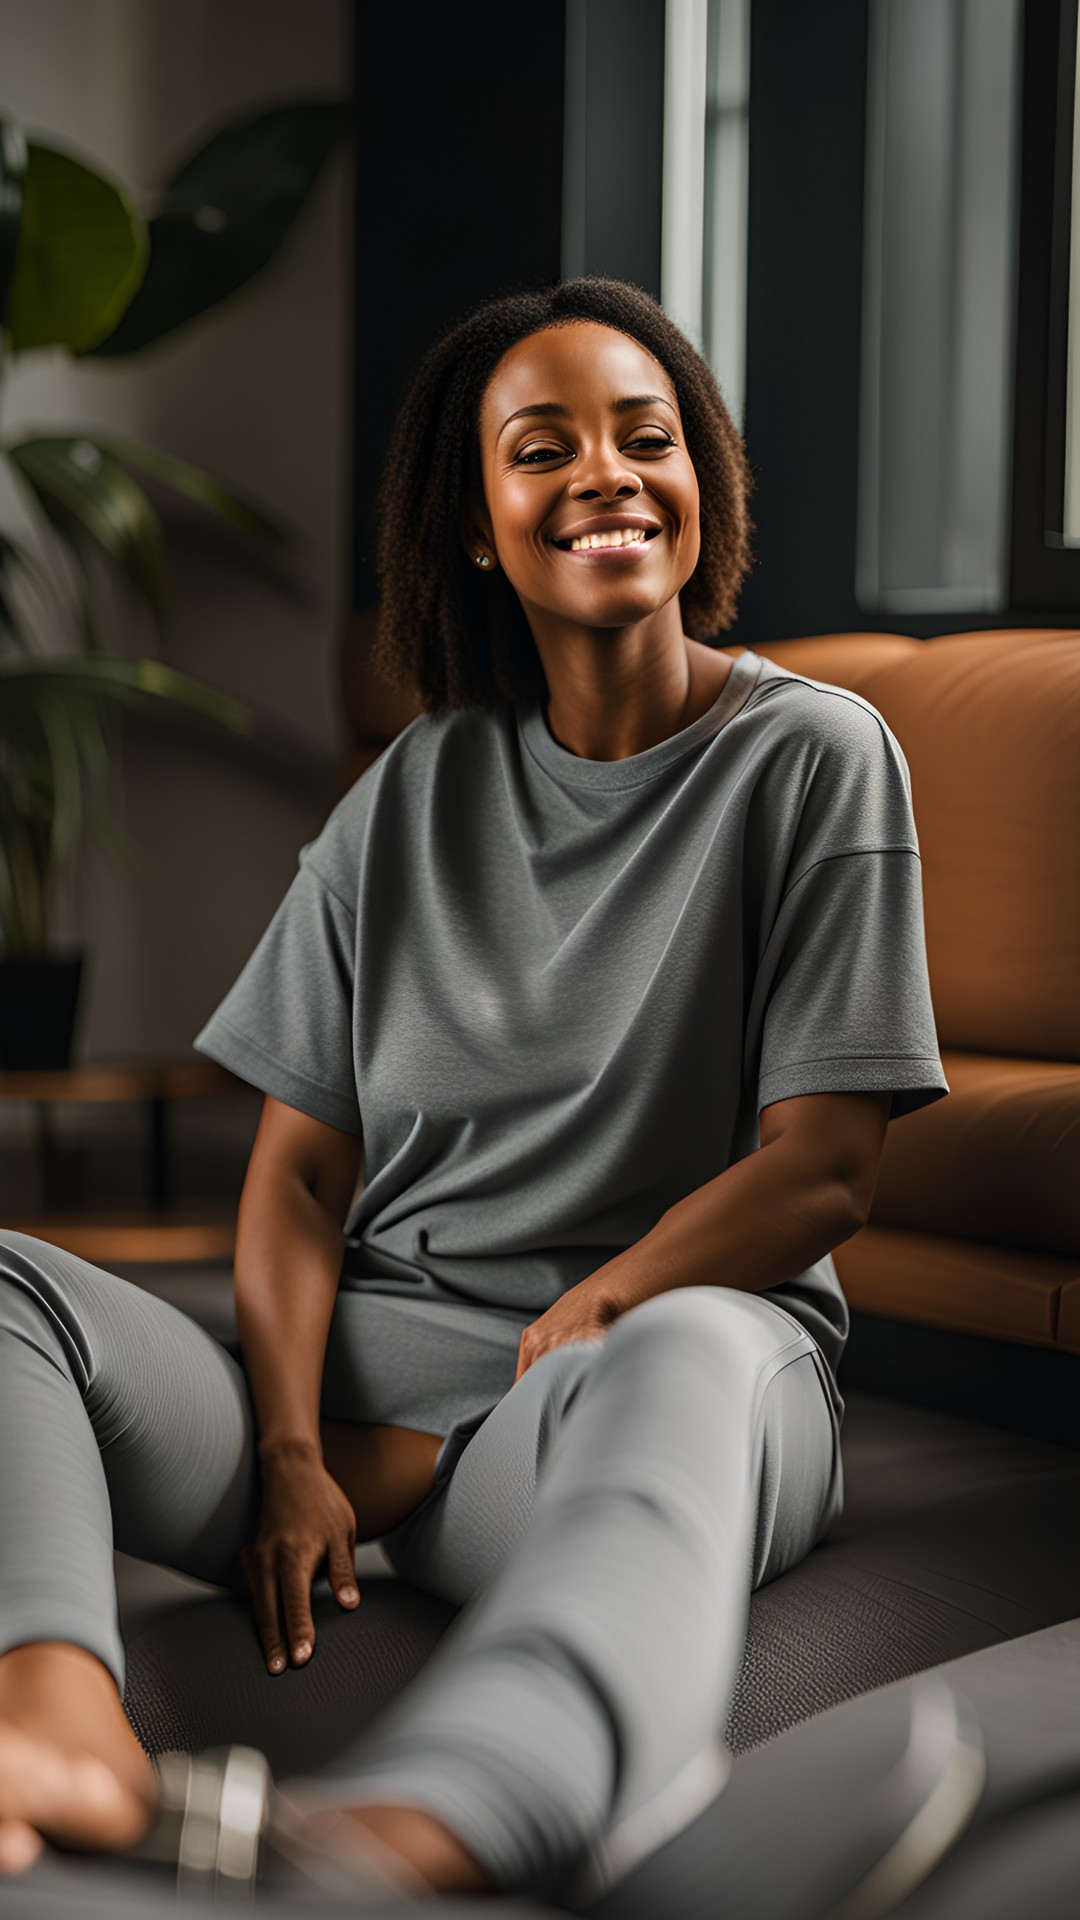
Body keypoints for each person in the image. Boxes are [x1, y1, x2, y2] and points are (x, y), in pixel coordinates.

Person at [0, 276, 949, 1903]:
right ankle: (56, 1720)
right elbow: (298, 1177)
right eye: (542, 448)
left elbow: (826, 1171)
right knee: (17, 1283)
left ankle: (461, 1813)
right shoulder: (411, 791)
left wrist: (591, 1316)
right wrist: (293, 1449)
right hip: (373, 1396)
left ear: (700, 483)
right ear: (475, 524)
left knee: (684, 1348)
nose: (605, 473)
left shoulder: (817, 756)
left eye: (647, 437)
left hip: (644, 1380)